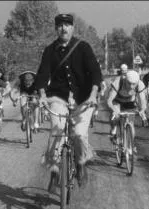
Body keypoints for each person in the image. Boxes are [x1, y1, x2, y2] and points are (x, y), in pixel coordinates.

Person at [35, 13, 102, 187]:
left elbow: (95, 72)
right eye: (60, 25)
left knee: (79, 134)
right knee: (57, 131)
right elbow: (42, 74)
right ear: (56, 29)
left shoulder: (83, 47)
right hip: (58, 97)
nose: (63, 28)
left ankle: (80, 163)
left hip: (84, 99)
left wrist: (94, 94)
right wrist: (42, 95)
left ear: (73, 28)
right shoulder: (50, 50)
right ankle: (55, 169)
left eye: (67, 25)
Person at [107, 70, 147, 142]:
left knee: (131, 123)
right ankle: (113, 130)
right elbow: (109, 101)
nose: (131, 86)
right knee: (116, 116)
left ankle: (130, 145)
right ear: (125, 80)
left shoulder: (140, 84)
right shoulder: (119, 82)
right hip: (117, 101)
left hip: (130, 102)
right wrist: (114, 110)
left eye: (133, 84)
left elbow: (143, 101)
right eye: (129, 83)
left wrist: (142, 110)